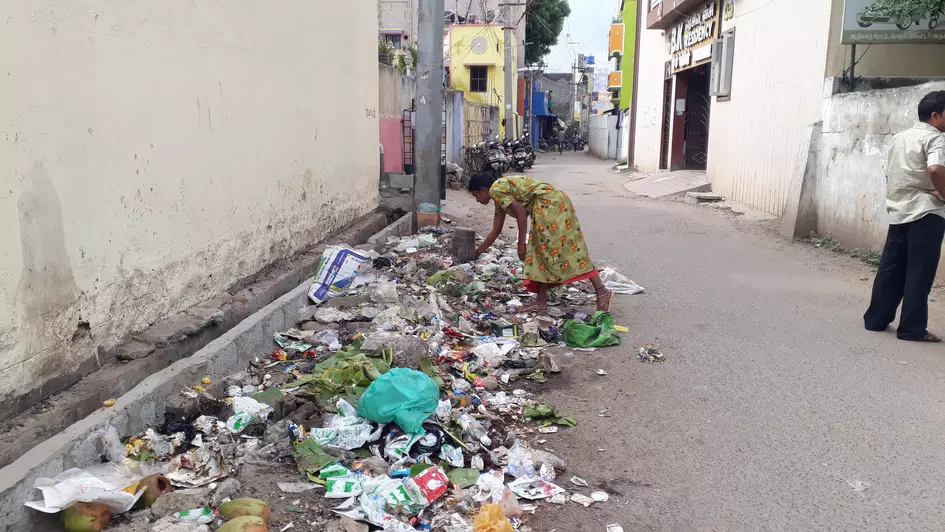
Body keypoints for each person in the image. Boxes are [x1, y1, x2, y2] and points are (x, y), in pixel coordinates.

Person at [467, 172, 613, 312]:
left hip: (551, 205)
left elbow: (521, 214)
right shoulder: (500, 196)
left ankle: (602, 291)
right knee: (541, 253)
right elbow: (495, 230)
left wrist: (521, 245)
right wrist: (478, 252)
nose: (477, 200)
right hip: (551, 204)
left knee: (569, 250)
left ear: (482, 189)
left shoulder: (496, 189)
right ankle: (541, 302)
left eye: (475, 195)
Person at [864, 91, 945, 342]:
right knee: (919, 272)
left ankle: (876, 319)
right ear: (936, 115)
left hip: (899, 211)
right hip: (927, 212)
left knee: (891, 268)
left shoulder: (900, 138)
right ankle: (911, 329)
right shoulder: (937, 139)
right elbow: (935, 168)